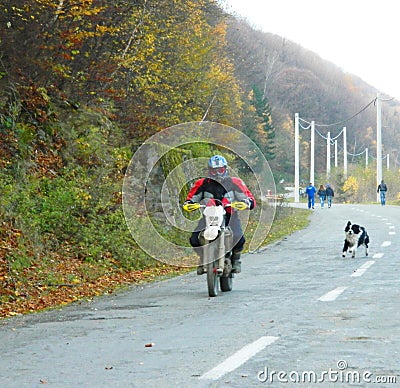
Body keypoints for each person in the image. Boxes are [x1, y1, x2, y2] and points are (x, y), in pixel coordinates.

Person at [184, 155, 255, 275]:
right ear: (209, 170)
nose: (217, 173)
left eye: (220, 170)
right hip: (209, 217)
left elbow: (248, 197)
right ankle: (203, 258)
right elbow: (191, 198)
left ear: (225, 169)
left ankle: (235, 260)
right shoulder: (201, 183)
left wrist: (246, 203)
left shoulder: (235, 182)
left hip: (229, 217)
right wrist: (189, 204)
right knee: (194, 239)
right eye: (213, 170)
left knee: (239, 237)